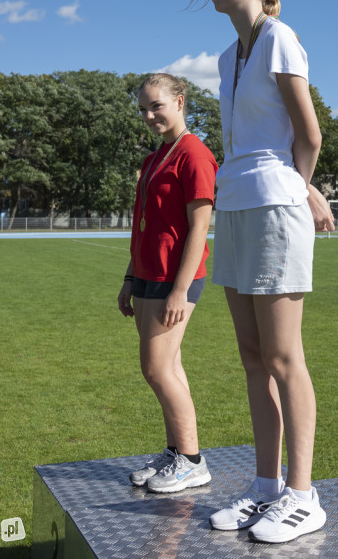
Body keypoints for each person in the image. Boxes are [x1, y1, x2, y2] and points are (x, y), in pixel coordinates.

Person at [194, 0, 334, 544]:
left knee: (283, 358)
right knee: (252, 358)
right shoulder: (228, 56)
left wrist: (298, 188)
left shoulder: (280, 37)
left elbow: (309, 132)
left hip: (275, 202)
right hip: (235, 203)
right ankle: (267, 486)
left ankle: (304, 496)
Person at [118, 73, 219, 494]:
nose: (149, 115)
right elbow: (143, 223)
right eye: (143, 108)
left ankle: (193, 462)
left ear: (180, 102)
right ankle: (177, 452)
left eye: (156, 105)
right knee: (170, 367)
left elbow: (200, 229)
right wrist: (128, 277)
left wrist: (180, 290)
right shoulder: (156, 156)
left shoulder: (194, 155)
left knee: (156, 368)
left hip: (173, 278)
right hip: (146, 273)